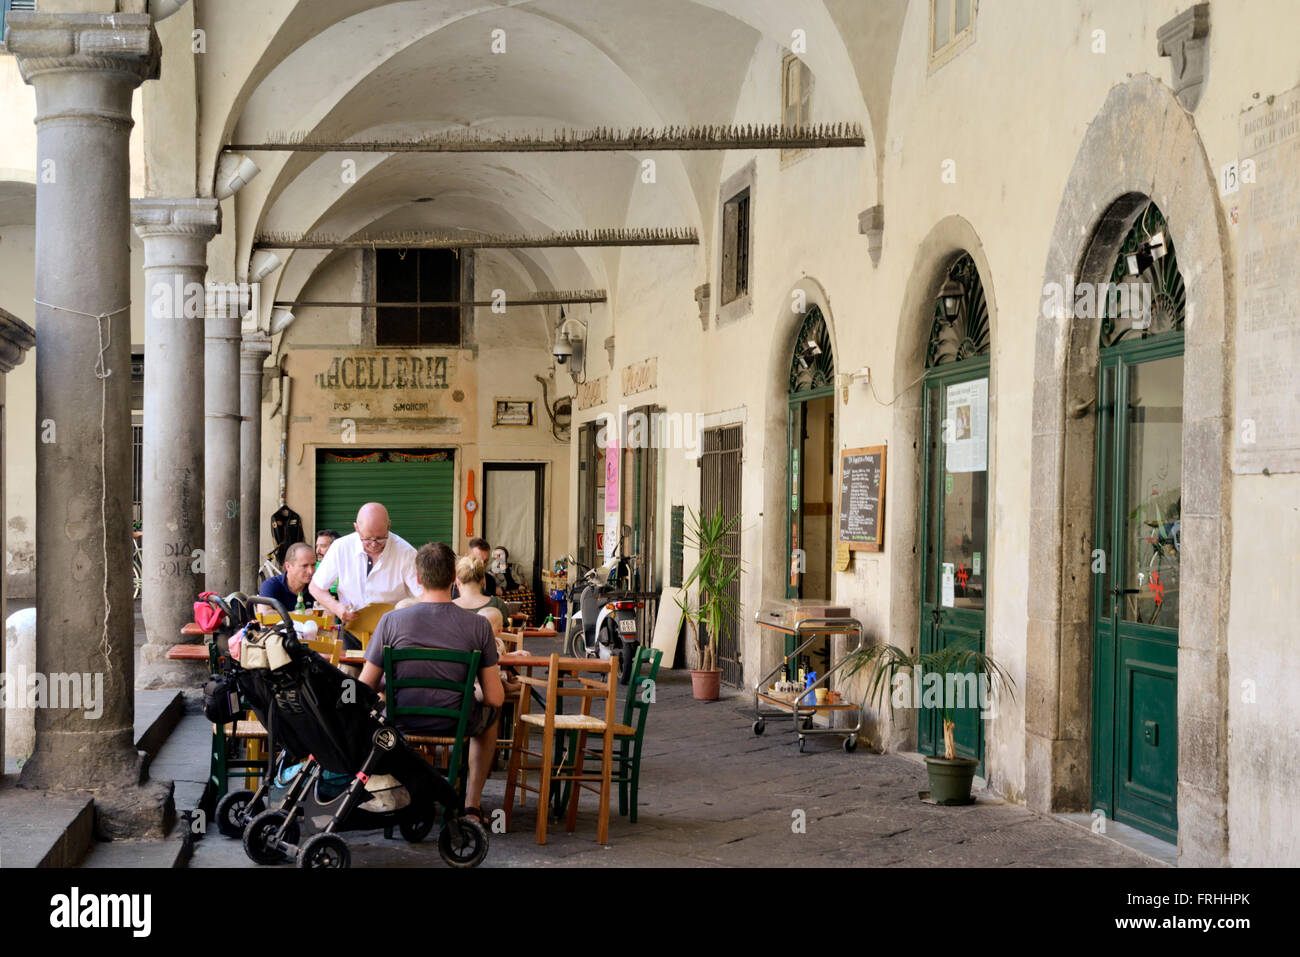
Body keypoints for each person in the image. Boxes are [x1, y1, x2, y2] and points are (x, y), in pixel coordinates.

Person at [359, 542, 503, 822]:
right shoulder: (479, 626)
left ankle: (399, 792)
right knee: (492, 716)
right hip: (455, 722)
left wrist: (390, 684)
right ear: (453, 578)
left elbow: (364, 687)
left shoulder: (390, 621)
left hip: (400, 721)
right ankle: (472, 805)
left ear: (417, 578)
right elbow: (495, 698)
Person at [309, 503, 421, 648]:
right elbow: (315, 587)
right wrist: (336, 607)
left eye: (380, 538)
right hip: (352, 631)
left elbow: (423, 596)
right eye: (367, 539)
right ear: (356, 528)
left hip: (393, 635)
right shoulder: (341, 547)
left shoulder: (406, 553)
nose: (374, 544)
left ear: (389, 526)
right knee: (346, 670)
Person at [259, 542, 317, 611]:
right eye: (304, 566)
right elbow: (264, 614)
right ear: (288, 566)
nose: (310, 571)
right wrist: (302, 615)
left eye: (313, 565)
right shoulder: (271, 585)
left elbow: (328, 615)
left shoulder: (317, 587)